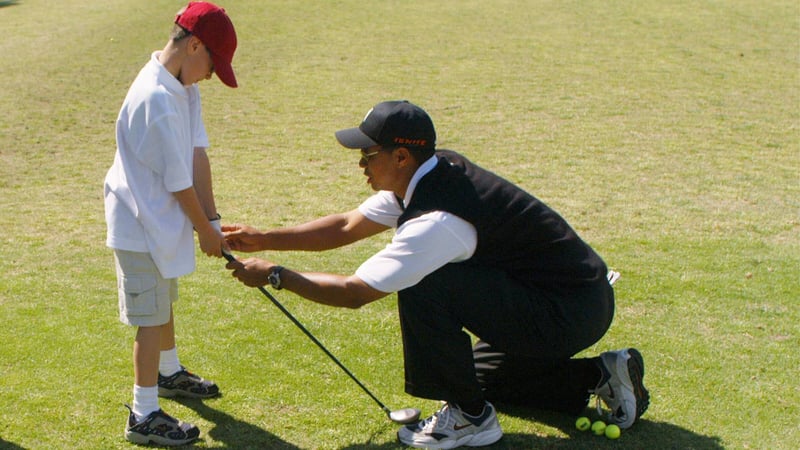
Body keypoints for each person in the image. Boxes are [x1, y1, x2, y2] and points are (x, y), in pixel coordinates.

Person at [223, 100, 649, 449]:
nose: (360, 164)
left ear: (401, 156)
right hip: (567, 300)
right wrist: (261, 238)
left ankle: (471, 419)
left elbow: (356, 292)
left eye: (367, 155)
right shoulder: (428, 174)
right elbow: (346, 226)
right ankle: (601, 374)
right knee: (479, 375)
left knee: (427, 281)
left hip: (567, 313)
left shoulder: (438, 220)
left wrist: (277, 274)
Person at [103, 2, 238, 446]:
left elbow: (198, 155)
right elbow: (180, 184)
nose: (212, 75)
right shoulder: (155, 98)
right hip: (139, 222)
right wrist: (205, 232)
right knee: (150, 315)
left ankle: (168, 372)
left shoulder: (184, 88)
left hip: (162, 219)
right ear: (193, 44)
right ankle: (143, 415)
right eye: (212, 64)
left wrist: (213, 220)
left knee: (164, 302)